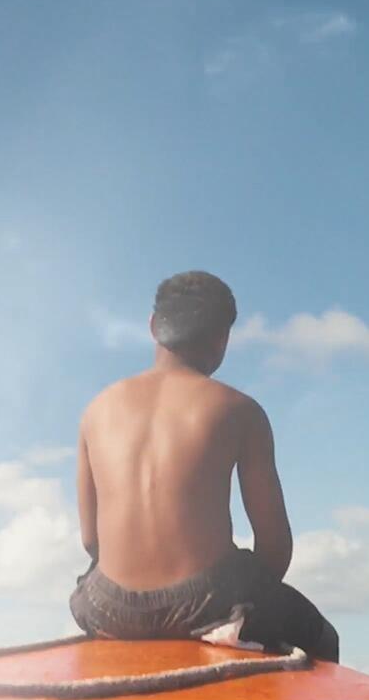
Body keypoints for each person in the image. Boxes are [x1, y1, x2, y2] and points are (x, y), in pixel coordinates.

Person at [69, 270, 339, 661]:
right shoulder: (240, 410)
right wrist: (242, 605)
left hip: (109, 607)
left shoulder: (95, 410)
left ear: (152, 326)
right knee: (322, 637)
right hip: (210, 604)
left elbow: (92, 541)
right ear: (222, 339)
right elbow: (275, 545)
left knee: (88, 585)